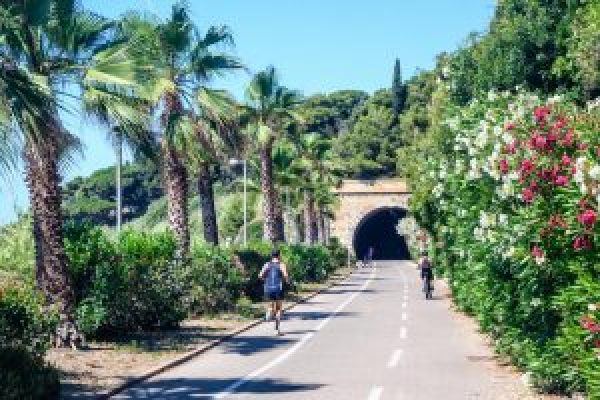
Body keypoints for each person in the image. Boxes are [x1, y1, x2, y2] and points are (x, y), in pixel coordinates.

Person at [259, 249, 289, 335]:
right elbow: (285, 275)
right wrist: (287, 282)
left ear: (271, 256)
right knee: (279, 309)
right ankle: (276, 329)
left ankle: (269, 311)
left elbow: (260, 275)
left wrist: (266, 280)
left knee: (271, 305)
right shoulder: (281, 264)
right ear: (279, 255)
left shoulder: (267, 264)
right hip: (278, 288)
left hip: (268, 287)